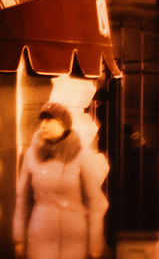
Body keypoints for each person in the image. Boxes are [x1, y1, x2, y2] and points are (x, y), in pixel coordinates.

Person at [14, 103, 105, 259]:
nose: (43, 125)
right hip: (40, 234)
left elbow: (95, 203)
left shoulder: (82, 155)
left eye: (49, 120)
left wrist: (95, 242)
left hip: (73, 238)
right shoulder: (32, 155)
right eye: (41, 120)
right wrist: (19, 238)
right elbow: (23, 199)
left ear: (63, 124)